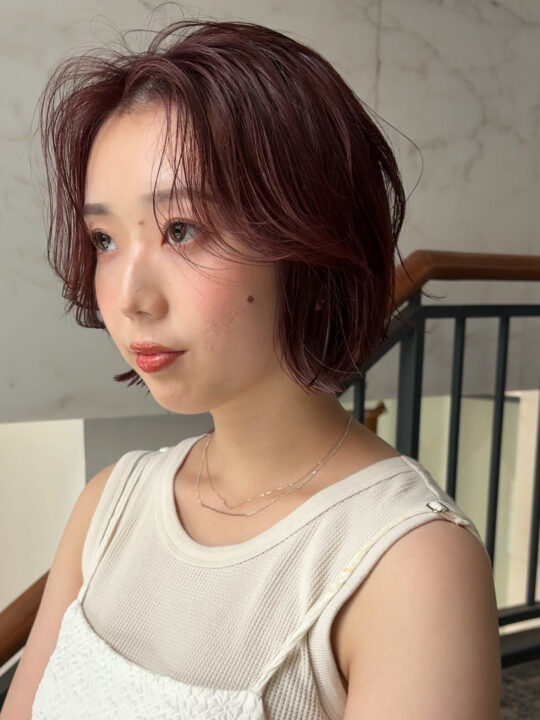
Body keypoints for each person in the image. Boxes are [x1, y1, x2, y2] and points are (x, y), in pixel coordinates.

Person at [1, 18, 501, 720]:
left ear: (310, 244)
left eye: (181, 230)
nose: (130, 299)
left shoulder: (408, 564)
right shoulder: (109, 504)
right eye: (105, 239)